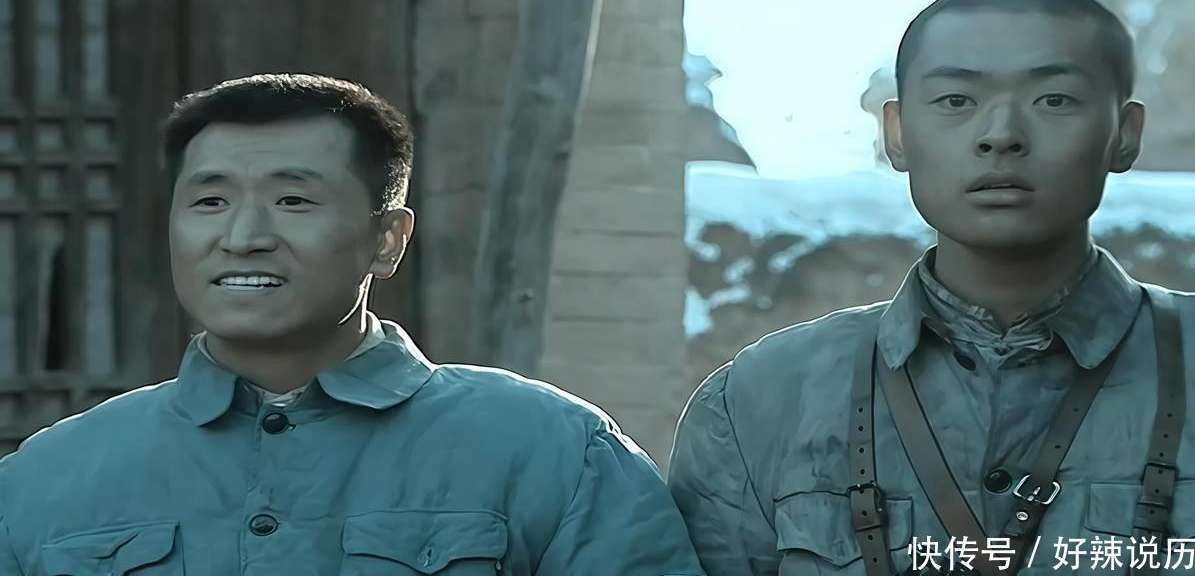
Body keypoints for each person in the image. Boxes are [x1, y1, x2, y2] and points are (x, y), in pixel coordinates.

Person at [0, 73, 705, 575]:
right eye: (210, 202)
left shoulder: (553, 450)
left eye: (293, 201)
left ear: (387, 240)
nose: (243, 237)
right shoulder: (46, 478)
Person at [669, 0, 1195, 576]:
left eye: (1053, 100)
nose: (1001, 136)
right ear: (896, 134)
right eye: (955, 101)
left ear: (1124, 135)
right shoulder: (758, 401)